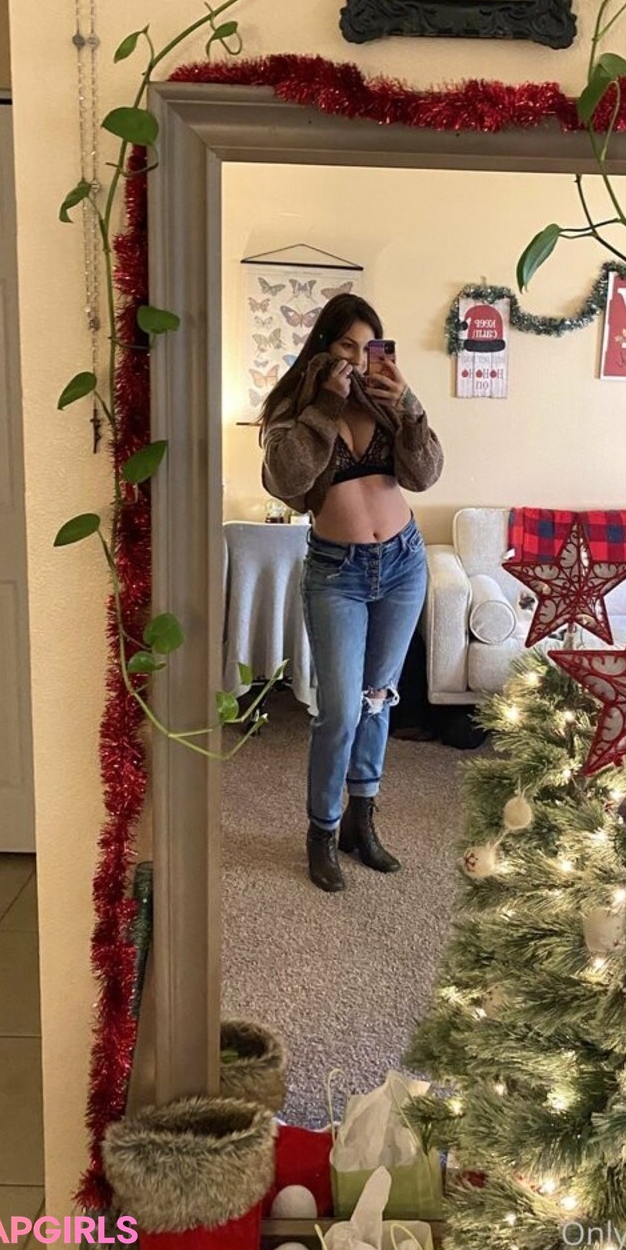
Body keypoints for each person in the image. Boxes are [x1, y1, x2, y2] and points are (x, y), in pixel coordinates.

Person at [256, 294, 444, 892]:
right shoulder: (294, 407)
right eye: (347, 345)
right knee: (338, 710)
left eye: (369, 348)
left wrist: (408, 405)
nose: (359, 360)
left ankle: (361, 823)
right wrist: (326, 405)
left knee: (378, 699)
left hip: (403, 564)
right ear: (323, 344)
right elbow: (286, 480)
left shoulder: (387, 401)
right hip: (337, 573)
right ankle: (322, 830)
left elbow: (425, 474)